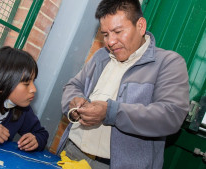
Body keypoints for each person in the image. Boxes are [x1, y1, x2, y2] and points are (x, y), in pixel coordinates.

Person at [56, 0, 189, 168]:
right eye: (105, 34)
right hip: (72, 152)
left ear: (140, 26)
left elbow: (171, 115)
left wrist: (111, 112)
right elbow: (73, 86)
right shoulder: (101, 57)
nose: (110, 41)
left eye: (118, 31)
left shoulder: (168, 63)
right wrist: (74, 101)